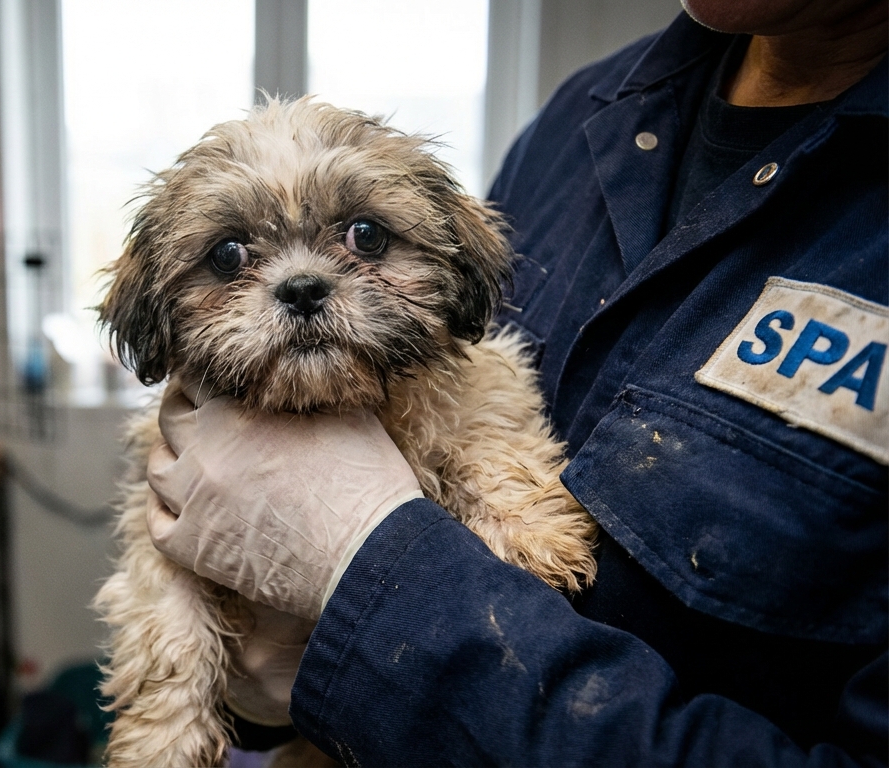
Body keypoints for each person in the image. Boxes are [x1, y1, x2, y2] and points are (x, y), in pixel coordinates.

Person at [144, 1, 888, 765]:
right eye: (233, 257)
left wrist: (369, 584)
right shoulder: (586, 116)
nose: (301, 283)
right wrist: (260, 688)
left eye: (363, 239)